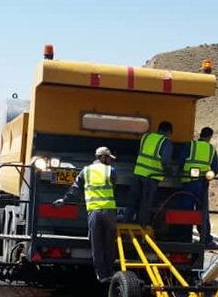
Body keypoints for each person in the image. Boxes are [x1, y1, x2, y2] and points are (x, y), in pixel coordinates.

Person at [54, 146, 118, 283]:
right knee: (109, 244)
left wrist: (64, 200)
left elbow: (75, 189)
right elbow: (114, 183)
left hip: (94, 212)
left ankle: (102, 275)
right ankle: (110, 272)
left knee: (97, 245)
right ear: (102, 157)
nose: (110, 161)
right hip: (109, 213)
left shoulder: (86, 171)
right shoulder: (111, 170)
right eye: (108, 158)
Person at [126, 121, 174, 227]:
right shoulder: (165, 142)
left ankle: (125, 223)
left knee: (132, 201)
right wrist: (171, 173)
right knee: (145, 204)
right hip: (151, 177)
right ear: (168, 132)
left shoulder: (146, 136)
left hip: (138, 173)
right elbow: (165, 161)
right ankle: (141, 227)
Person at [181, 126, 218, 250]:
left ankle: (184, 237)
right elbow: (215, 169)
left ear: (200, 135)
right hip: (202, 184)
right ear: (209, 137)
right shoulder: (211, 149)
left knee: (186, 211)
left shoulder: (190, 145)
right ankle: (206, 239)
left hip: (187, 183)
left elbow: (181, 161)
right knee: (202, 212)